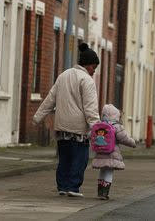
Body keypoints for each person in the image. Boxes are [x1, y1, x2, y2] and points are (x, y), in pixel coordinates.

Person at [33, 43, 100, 197]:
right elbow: (90, 108)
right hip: (78, 129)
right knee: (80, 159)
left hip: (61, 127)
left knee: (64, 158)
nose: (94, 71)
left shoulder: (63, 75)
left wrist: (37, 117)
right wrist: (97, 129)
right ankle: (73, 188)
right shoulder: (87, 81)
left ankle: (62, 186)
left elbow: (50, 99)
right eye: (94, 67)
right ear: (88, 65)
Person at [92, 104, 136, 200]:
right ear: (116, 115)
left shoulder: (99, 125)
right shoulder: (117, 126)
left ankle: (100, 192)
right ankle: (105, 193)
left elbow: (91, 135)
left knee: (102, 170)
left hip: (100, 152)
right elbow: (124, 138)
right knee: (109, 171)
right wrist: (133, 143)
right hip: (112, 153)